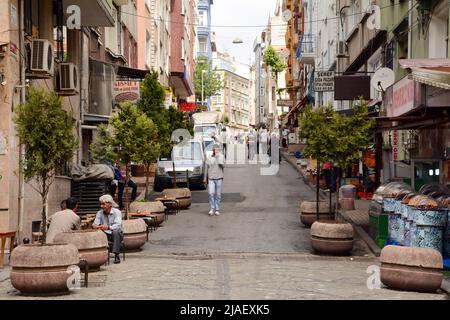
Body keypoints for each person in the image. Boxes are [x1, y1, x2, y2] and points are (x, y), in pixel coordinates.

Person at [93, 194, 123, 264]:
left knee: (116, 231)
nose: (101, 206)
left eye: (103, 204)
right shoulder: (99, 213)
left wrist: (108, 227)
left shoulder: (117, 212)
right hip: (105, 233)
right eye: (101, 204)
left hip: (116, 234)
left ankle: (116, 255)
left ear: (109, 204)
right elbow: (95, 224)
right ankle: (99, 255)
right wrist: (96, 226)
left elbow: (118, 225)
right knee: (97, 232)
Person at [205, 144, 224, 216]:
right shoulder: (209, 157)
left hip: (219, 178)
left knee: (218, 195)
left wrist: (218, 158)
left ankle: (217, 209)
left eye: (217, 149)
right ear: (213, 150)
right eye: (215, 149)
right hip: (211, 178)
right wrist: (205, 178)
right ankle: (212, 208)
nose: (216, 151)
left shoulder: (221, 156)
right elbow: (206, 168)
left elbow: (222, 166)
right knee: (211, 193)